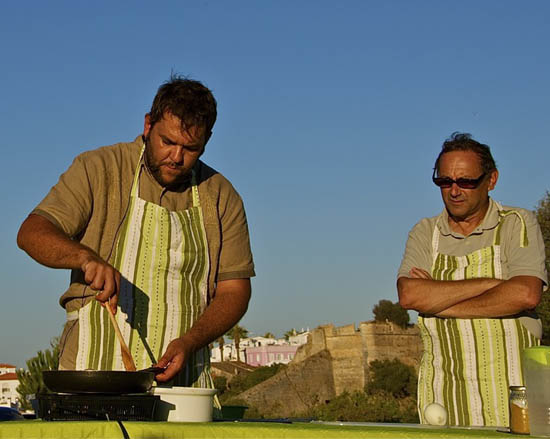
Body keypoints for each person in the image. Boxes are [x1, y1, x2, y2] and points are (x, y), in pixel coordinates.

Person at [17, 76, 255, 390]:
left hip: (185, 384)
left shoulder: (221, 196)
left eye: (190, 148)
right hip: (92, 373)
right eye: (167, 142)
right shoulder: (99, 168)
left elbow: (235, 292)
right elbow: (31, 233)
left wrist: (189, 342)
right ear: (147, 125)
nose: (176, 156)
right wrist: (85, 258)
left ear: (207, 141)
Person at [397, 132, 547, 427]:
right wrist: (491, 284)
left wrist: (438, 302)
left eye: (466, 181)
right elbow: (410, 296)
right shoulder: (426, 233)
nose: (454, 191)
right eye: (444, 181)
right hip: (444, 401)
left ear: (491, 180)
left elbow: (526, 294)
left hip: (515, 400)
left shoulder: (517, 224)